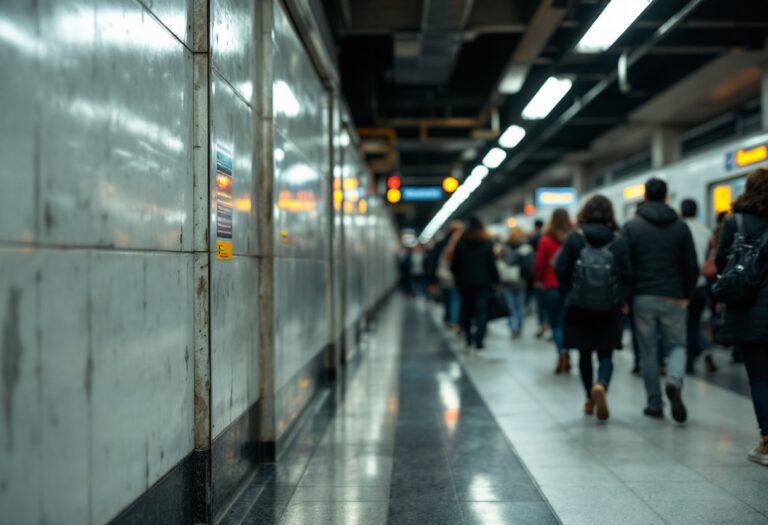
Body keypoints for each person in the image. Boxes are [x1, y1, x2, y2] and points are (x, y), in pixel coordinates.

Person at [622, 178, 699, 422]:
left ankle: (654, 404)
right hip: (674, 296)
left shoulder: (632, 226)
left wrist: (627, 297)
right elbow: (691, 265)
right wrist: (687, 294)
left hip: (642, 297)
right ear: (667, 197)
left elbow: (625, 266)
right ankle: (674, 380)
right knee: (677, 345)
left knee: (648, 352)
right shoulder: (680, 226)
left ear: (645, 197)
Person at [555, 196, 632, 421]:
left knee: (584, 353)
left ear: (584, 213)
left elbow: (560, 269)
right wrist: (621, 301)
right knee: (606, 353)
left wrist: (568, 296)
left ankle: (589, 397)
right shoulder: (618, 241)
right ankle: (602, 385)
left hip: (578, 306)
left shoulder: (574, 238)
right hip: (609, 307)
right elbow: (628, 275)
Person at [714, 168, 768, 466]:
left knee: (760, 377)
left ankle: (767, 441)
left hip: (748, 308)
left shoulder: (736, 222)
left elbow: (722, 261)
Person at [451, 216, 500, 351]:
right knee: (481, 312)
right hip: (484, 283)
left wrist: (458, 278)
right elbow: (492, 264)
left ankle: (468, 339)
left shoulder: (461, 243)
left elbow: (455, 264)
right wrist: (496, 280)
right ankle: (479, 341)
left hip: (465, 283)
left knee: (466, 311)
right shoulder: (487, 243)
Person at [534, 208, 573, 373]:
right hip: (571, 287)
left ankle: (562, 353)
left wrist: (538, 279)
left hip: (551, 286)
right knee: (568, 324)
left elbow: (539, 264)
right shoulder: (573, 238)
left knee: (556, 324)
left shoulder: (545, 240)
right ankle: (568, 352)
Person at [680, 199, 713, 373]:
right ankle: (694, 357)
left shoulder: (678, 228)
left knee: (682, 326)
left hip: (682, 286)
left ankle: (686, 360)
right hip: (701, 285)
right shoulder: (705, 230)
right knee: (694, 324)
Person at [498, 226, 533, 339]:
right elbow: (529, 266)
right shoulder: (526, 248)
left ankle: (513, 326)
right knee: (520, 305)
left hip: (506, 280)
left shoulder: (503, 248)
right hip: (521, 281)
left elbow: (499, 262)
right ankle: (518, 326)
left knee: (510, 305)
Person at [528, 219, 548, 338]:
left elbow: (539, 263)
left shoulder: (535, 239)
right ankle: (549, 326)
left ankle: (542, 325)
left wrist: (537, 278)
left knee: (540, 304)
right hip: (554, 279)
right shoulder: (549, 237)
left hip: (542, 278)